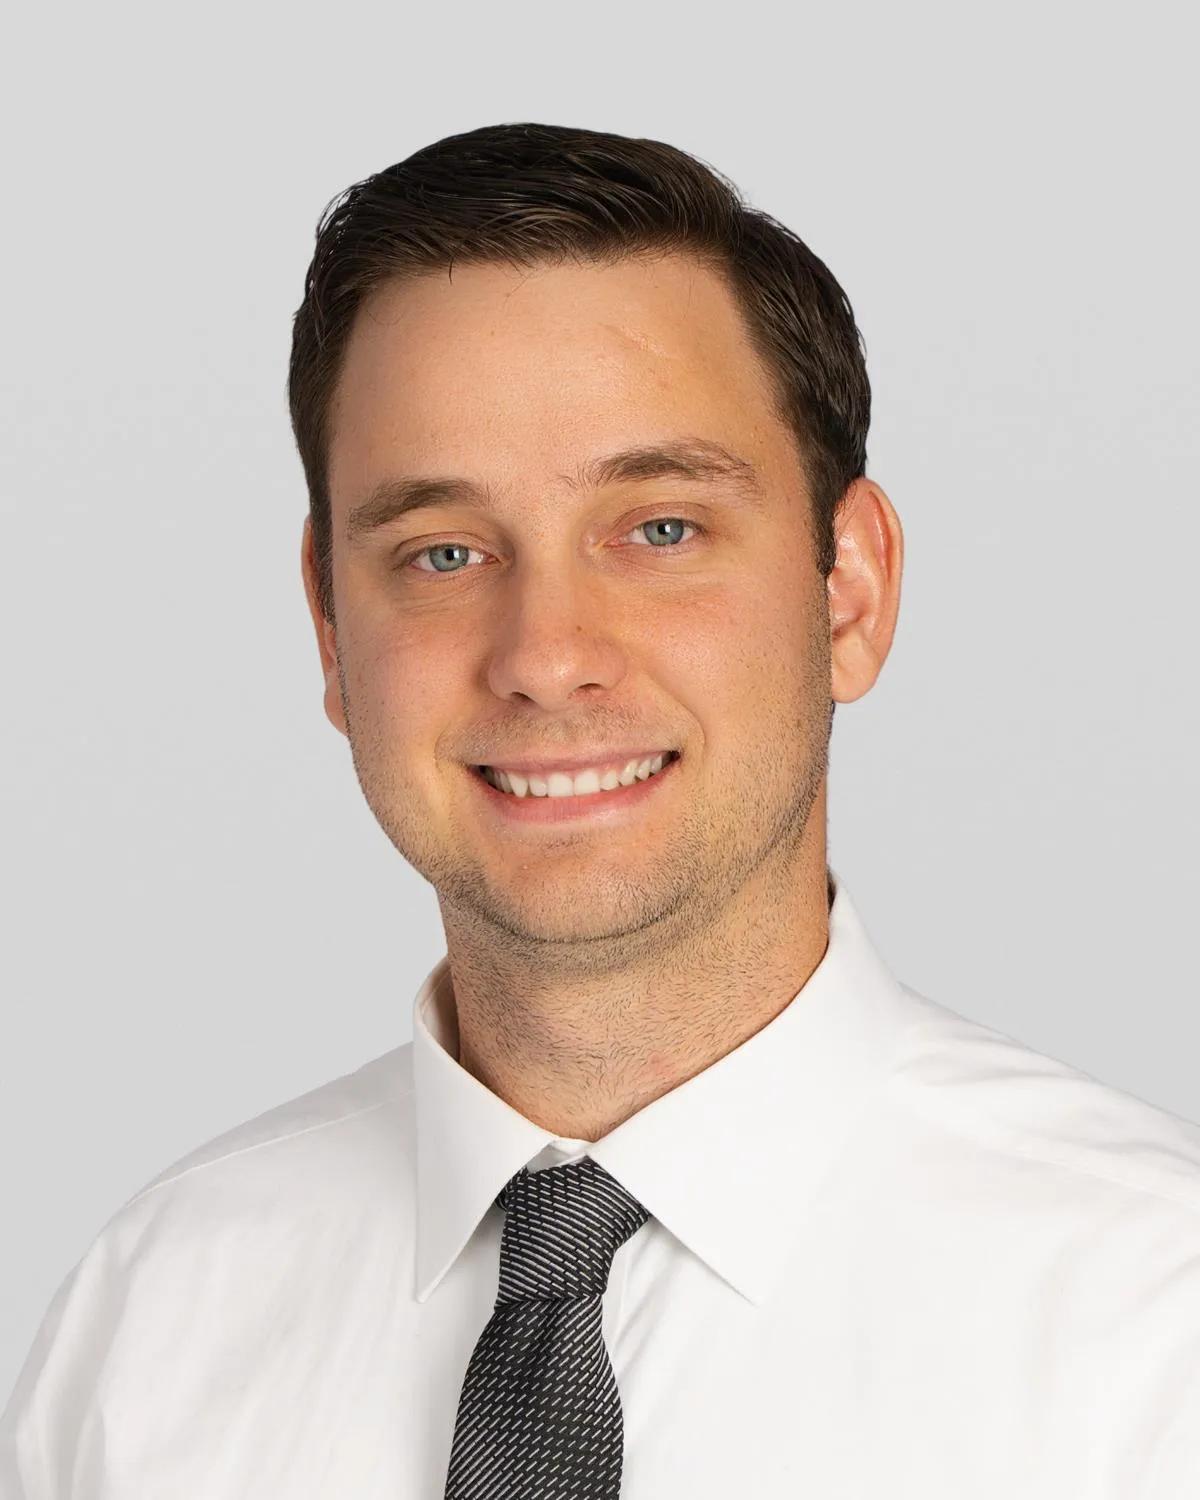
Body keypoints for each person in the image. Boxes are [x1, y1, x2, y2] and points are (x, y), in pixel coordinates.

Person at [3, 120, 1197, 1499]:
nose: (546, 654)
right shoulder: (148, 1334)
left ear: (849, 593)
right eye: (442, 553)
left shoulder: (1155, 1330)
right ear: (331, 632)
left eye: (660, 530)